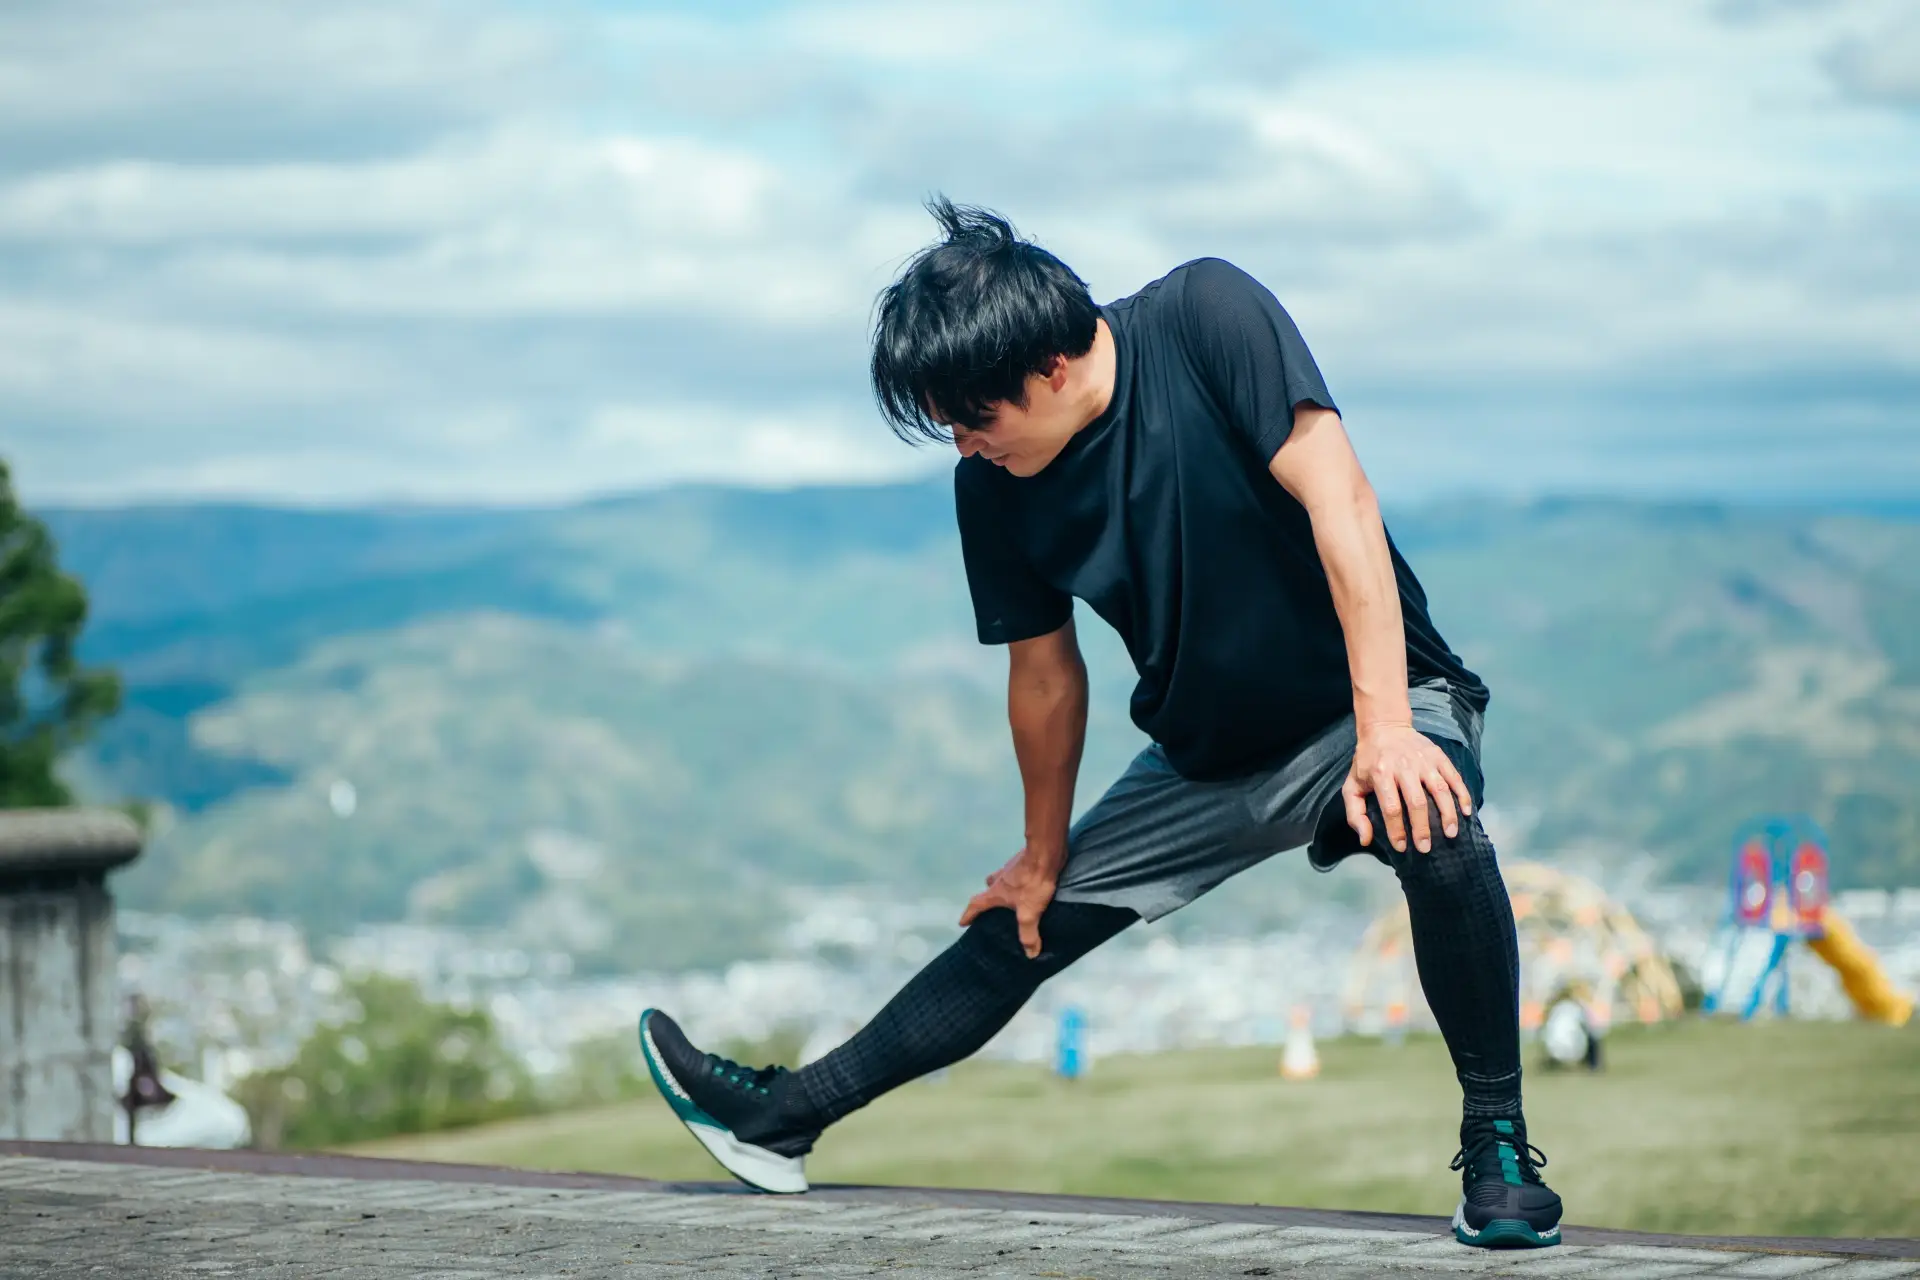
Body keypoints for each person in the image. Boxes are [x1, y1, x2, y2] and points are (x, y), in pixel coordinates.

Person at [639, 198, 1563, 1249]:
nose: (962, 442)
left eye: (973, 417)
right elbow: (1044, 675)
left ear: (1050, 369)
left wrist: (1387, 727)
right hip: (1204, 757)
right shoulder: (989, 489)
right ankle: (779, 1117)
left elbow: (1339, 497)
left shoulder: (1208, 317)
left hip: (1371, 703)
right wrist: (1041, 853)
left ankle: (1497, 1152)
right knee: (1017, 923)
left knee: (1431, 818)